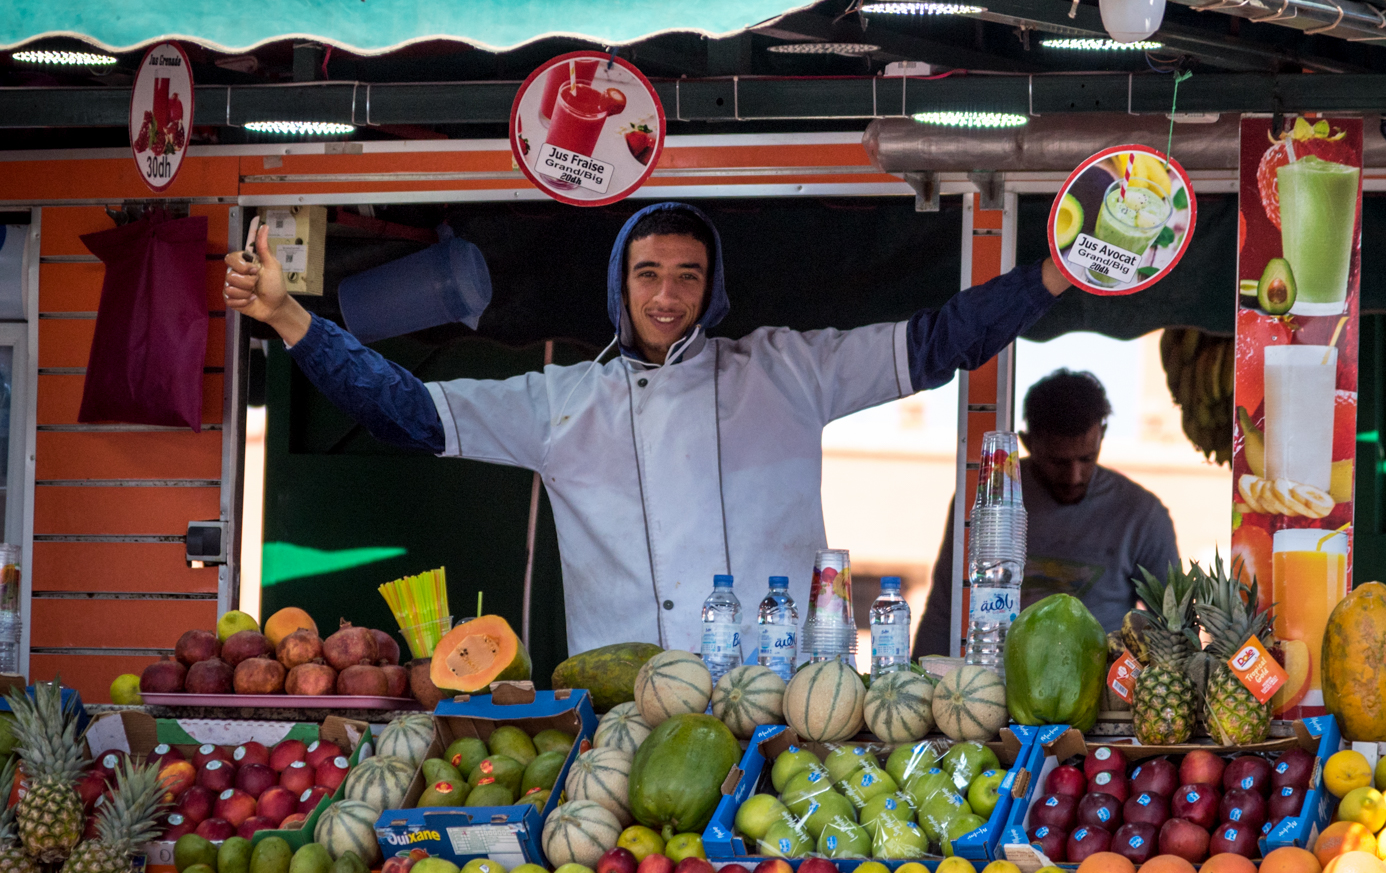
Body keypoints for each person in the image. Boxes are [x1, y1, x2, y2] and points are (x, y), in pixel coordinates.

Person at [223, 202, 1068, 655]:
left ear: (713, 288)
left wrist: (1052, 276)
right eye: (648, 274)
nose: (666, 296)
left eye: (687, 276)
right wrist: (290, 317)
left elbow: (937, 343)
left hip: (783, 701)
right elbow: (406, 411)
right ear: (619, 285)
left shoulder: (787, 371)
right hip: (626, 709)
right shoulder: (562, 402)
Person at [915, 368, 1180, 651]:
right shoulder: (989, 501)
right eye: (1058, 462)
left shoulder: (1142, 514)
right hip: (1001, 670)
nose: (1074, 476)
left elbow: (1173, 624)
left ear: (1101, 435)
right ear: (1027, 442)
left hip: (1105, 676)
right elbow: (944, 608)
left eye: (1086, 458)